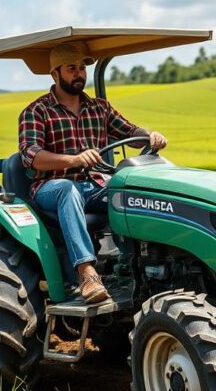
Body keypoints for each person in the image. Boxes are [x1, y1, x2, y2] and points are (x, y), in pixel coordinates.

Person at [19, 43, 167, 303]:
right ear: (55, 74)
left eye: (82, 68)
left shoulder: (99, 108)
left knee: (129, 188)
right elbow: (31, 155)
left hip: (94, 183)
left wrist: (150, 135)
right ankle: (86, 272)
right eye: (71, 68)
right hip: (51, 187)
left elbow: (131, 133)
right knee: (67, 190)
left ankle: (137, 265)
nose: (79, 74)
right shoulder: (37, 111)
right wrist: (73, 159)